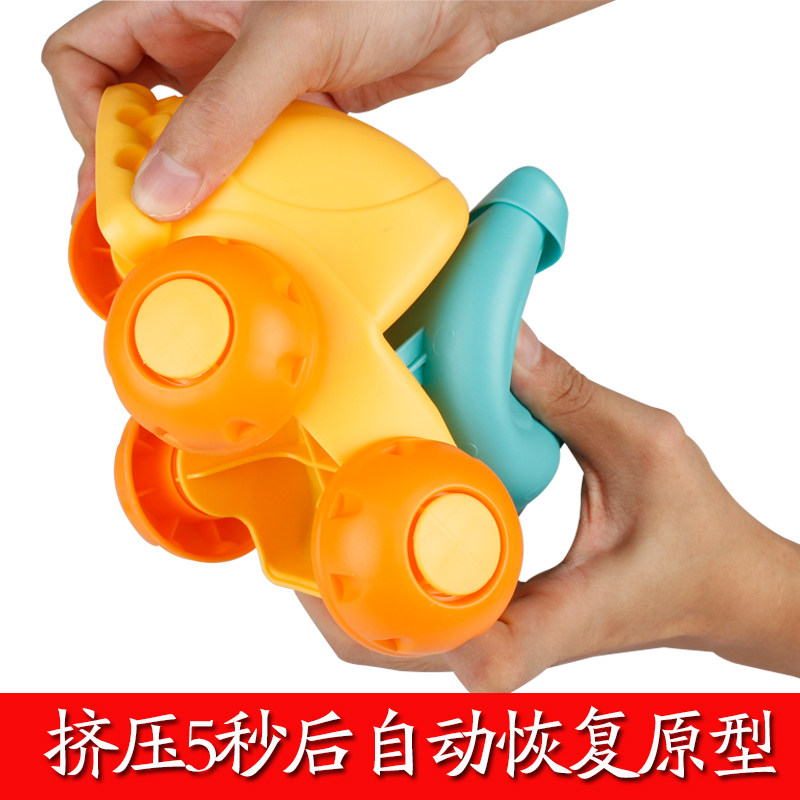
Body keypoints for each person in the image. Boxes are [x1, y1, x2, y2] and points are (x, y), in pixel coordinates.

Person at [43, 0, 800, 691]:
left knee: (280, 397)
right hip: (357, 302)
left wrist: (745, 597)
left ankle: (379, 507)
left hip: (361, 343)